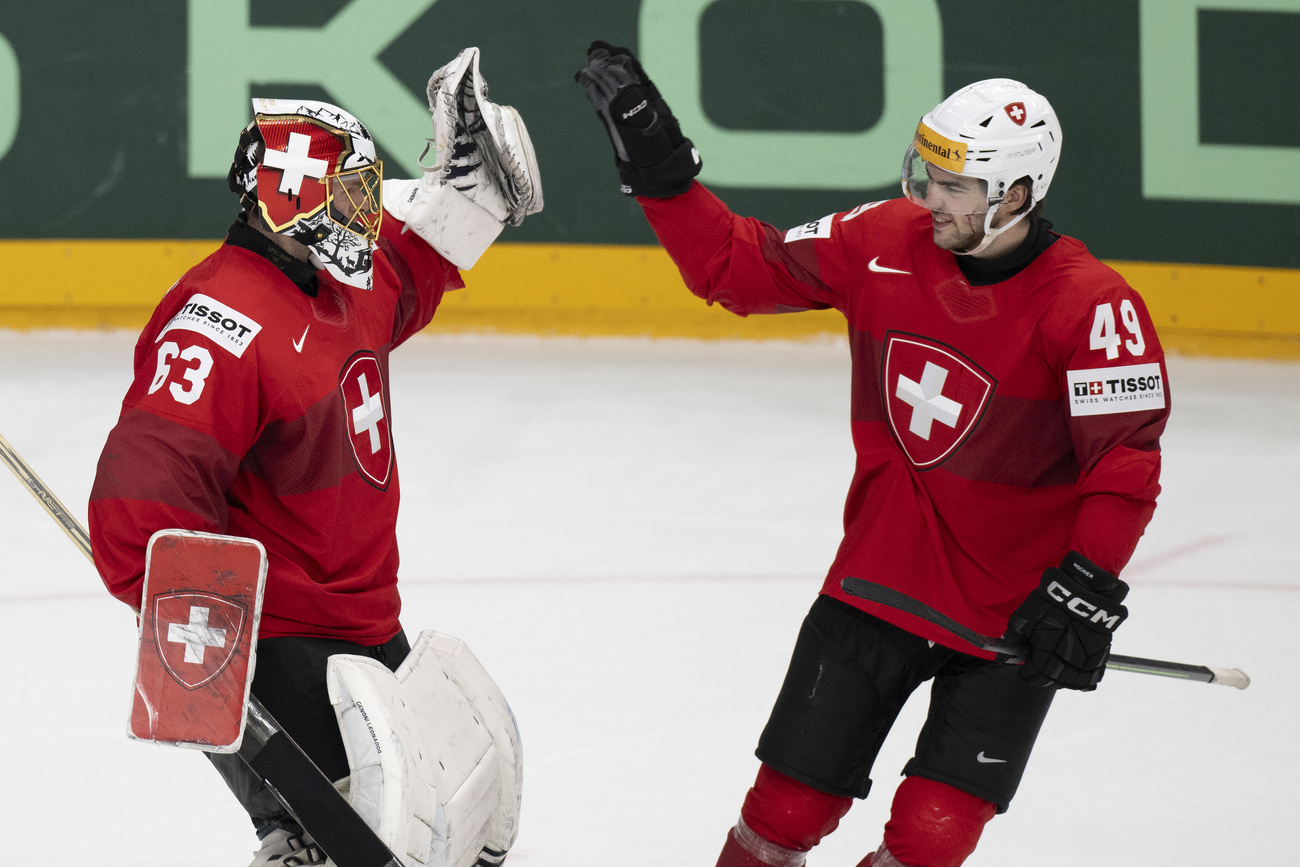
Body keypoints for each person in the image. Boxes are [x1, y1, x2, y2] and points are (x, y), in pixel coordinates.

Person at [576, 44, 1168, 867]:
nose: (928, 197)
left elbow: (1125, 463)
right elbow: (737, 270)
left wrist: (1084, 587)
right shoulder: (882, 238)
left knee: (930, 837)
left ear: (1020, 193)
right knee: (780, 815)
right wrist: (665, 181)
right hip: (876, 583)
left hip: (1011, 617)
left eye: (953, 185)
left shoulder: (1095, 306)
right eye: (927, 172)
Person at [90, 50, 540, 867]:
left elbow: (416, 263)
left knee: (449, 833)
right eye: (350, 193)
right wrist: (215, 660)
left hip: (368, 624)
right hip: (284, 638)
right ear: (294, 197)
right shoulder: (218, 324)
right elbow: (139, 509)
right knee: (357, 843)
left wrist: (469, 194)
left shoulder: (342, 282)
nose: (366, 212)